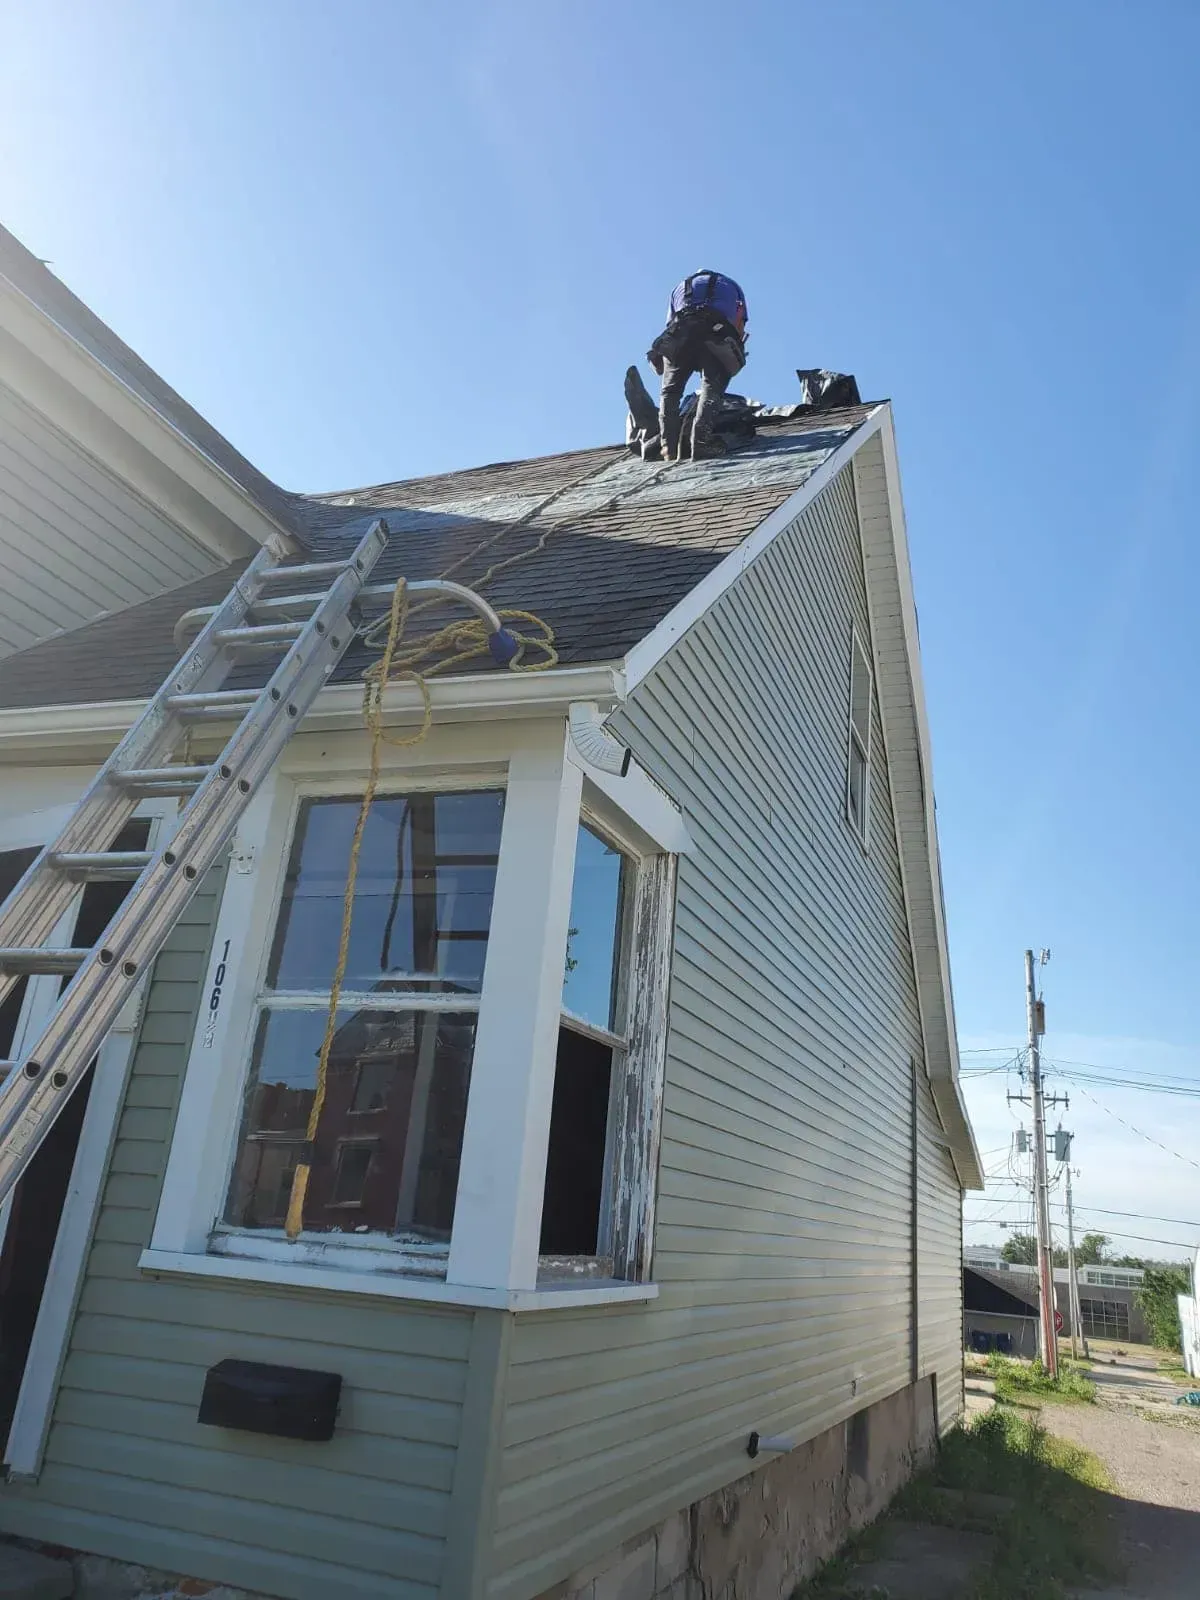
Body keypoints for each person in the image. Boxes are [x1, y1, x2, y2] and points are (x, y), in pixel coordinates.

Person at [649, 270, 748, 461]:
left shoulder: (680, 287)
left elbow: (670, 322)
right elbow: (739, 323)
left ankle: (668, 448)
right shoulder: (733, 287)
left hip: (680, 332)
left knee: (670, 392)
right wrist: (736, 351)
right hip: (715, 333)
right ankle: (701, 443)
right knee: (712, 387)